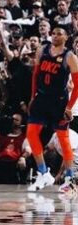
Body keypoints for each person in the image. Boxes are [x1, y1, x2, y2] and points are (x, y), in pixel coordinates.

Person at [26, 27, 78, 192]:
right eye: (53, 33)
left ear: (66, 37)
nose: (55, 36)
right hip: (41, 99)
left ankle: (69, 178)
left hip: (59, 102)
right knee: (31, 133)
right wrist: (32, 96)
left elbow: (77, 86)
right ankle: (43, 173)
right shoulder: (42, 50)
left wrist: (69, 107)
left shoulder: (70, 57)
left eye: (59, 34)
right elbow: (35, 75)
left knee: (63, 139)